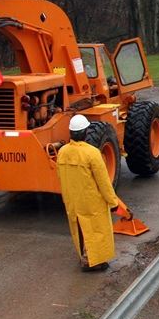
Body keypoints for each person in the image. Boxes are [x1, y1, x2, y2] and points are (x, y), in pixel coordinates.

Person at [56, 115, 122, 272]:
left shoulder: (62, 152)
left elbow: (60, 176)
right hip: (91, 201)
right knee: (96, 231)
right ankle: (94, 262)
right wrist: (113, 202)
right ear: (85, 132)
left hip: (72, 200)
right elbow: (103, 182)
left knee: (80, 230)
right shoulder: (92, 153)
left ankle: (84, 258)